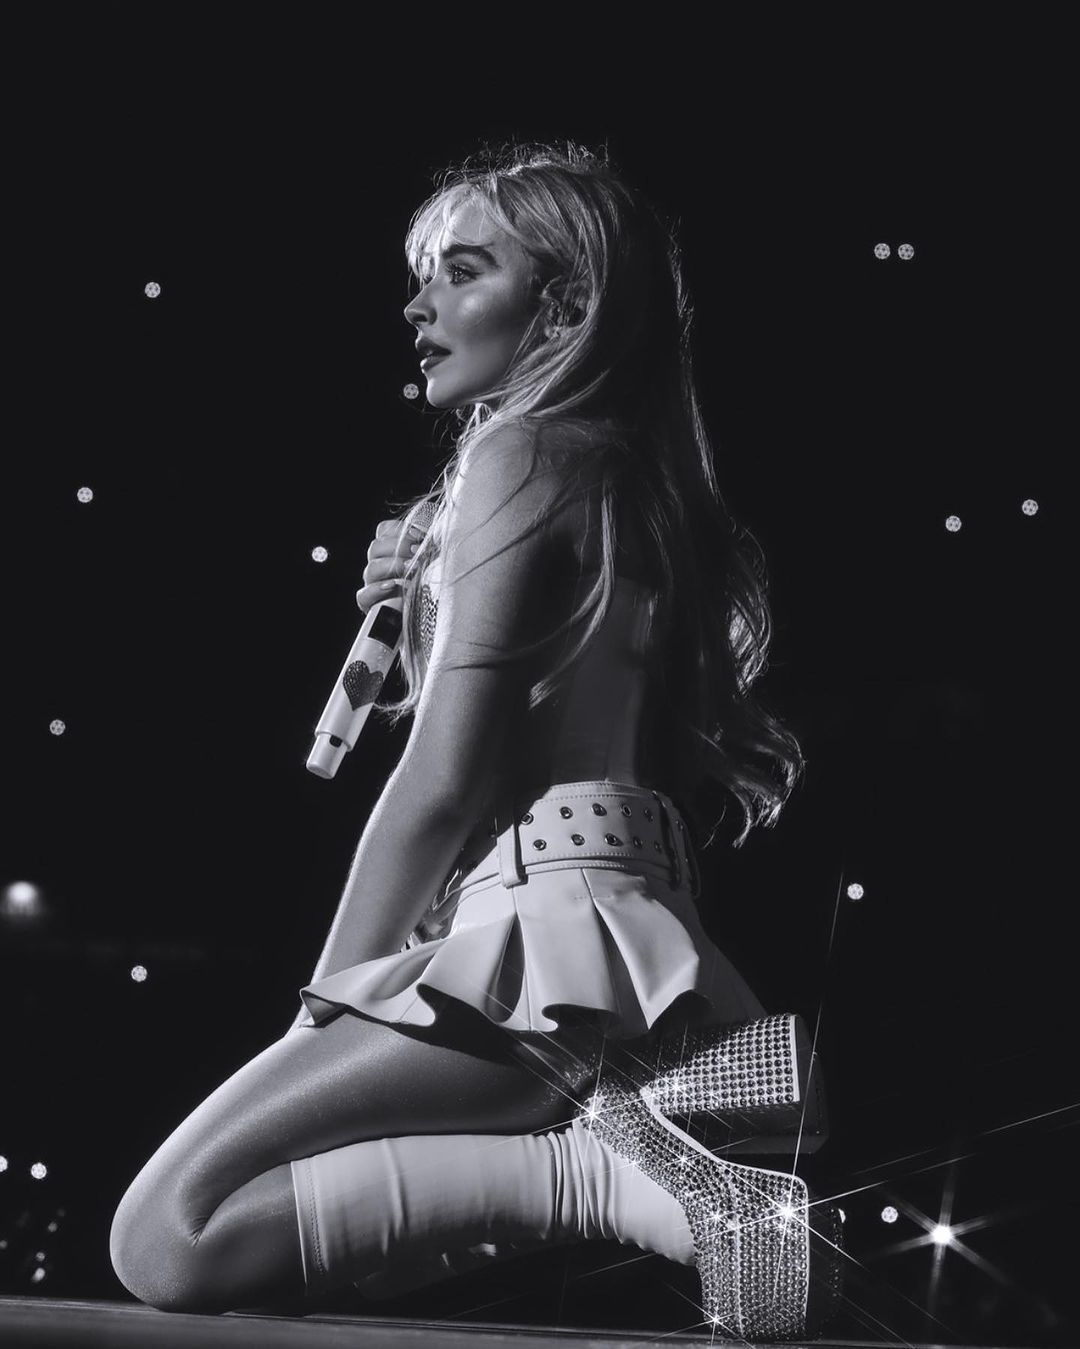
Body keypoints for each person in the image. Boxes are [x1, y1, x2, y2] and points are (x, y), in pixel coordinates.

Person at [107, 141, 844, 1339]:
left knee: (169, 1236)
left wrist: (325, 1004)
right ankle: (642, 1141)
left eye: (463, 271)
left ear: (566, 303)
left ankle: (613, 1172)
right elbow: (557, 729)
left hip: (532, 943)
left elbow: (445, 780)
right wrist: (425, 610)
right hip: (607, 924)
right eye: (422, 277)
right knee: (312, 1257)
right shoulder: (636, 480)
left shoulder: (520, 451)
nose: (420, 306)